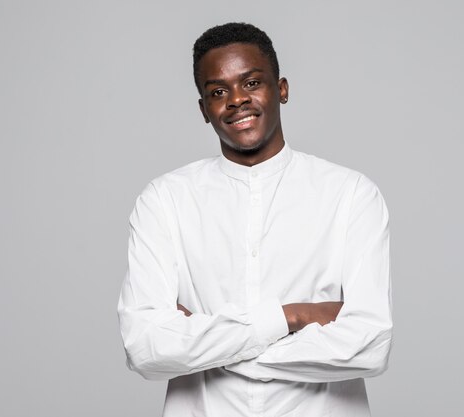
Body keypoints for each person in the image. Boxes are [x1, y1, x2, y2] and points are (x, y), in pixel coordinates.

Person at [118, 22, 392, 417]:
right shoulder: (164, 200)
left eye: (251, 83)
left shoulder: (350, 195)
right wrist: (291, 316)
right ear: (203, 109)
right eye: (217, 91)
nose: (236, 100)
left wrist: (209, 346)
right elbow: (145, 348)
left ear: (281, 89)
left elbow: (370, 344)